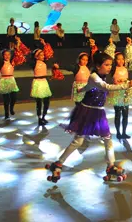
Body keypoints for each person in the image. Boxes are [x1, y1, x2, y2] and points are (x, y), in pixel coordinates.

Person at [44, 53, 121, 183]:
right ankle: (58, 163)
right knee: (78, 142)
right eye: (106, 65)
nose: (109, 67)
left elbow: (89, 86)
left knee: (107, 139)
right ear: (98, 66)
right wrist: (126, 85)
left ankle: (111, 165)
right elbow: (105, 87)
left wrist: (82, 90)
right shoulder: (94, 76)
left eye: (110, 65)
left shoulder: (101, 77)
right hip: (87, 112)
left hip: (98, 112)